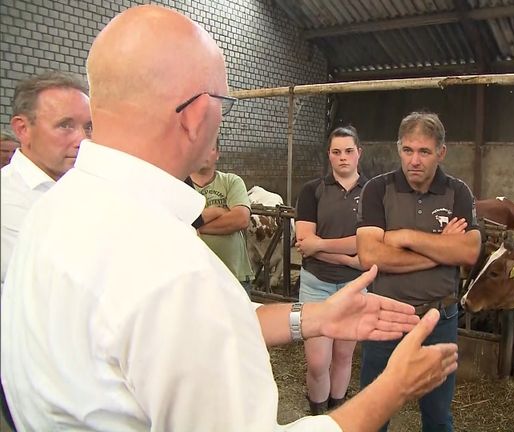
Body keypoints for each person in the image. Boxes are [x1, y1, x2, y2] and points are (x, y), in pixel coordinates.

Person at [0, 6, 458, 431]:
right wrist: (391, 389)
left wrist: (312, 317)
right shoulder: (173, 271)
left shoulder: (52, 209)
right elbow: (190, 313)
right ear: (197, 115)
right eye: (224, 101)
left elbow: (193, 327)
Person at [356, 111, 481, 431]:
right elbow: (370, 254)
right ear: (399, 149)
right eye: (408, 150)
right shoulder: (376, 190)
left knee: (438, 414)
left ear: (441, 152)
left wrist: (407, 238)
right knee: (374, 408)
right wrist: (440, 250)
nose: (415, 160)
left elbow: (468, 251)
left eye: (424, 151)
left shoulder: (458, 192)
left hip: (438, 317)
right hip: (385, 317)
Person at [295, 125, 368, 414]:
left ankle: (337, 414)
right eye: (336, 152)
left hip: (353, 285)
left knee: (343, 354)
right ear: (329, 156)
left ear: (359, 153)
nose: (343, 157)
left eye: (349, 151)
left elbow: (367, 243)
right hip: (317, 283)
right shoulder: (312, 190)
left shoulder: (373, 191)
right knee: (316, 361)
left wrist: (321, 246)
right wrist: (351, 258)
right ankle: (316, 415)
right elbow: (304, 242)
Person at [1, 71, 91, 286]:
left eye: (88, 127)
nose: (83, 140)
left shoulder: (93, 189)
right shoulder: (6, 200)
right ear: (22, 129)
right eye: (65, 125)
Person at [189, 137, 254, 290]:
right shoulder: (178, 184)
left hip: (234, 276)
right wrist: (217, 211)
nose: (204, 152)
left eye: (210, 148)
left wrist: (192, 225)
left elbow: (241, 219)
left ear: (218, 153)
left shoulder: (231, 181)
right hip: (193, 277)